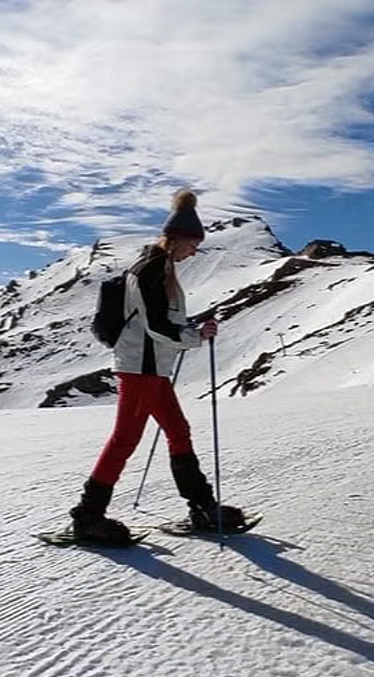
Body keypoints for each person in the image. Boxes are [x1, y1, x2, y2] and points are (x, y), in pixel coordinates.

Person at [68, 188, 246, 542]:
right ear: (178, 238)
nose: (194, 251)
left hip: (152, 368)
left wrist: (193, 328)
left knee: (178, 431)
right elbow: (156, 325)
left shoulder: (159, 267)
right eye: (193, 244)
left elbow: (159, 321)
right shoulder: (152, 269)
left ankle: (201, 507)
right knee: (124, 440)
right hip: (140, 369)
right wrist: (196, 337)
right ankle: (87, 517)